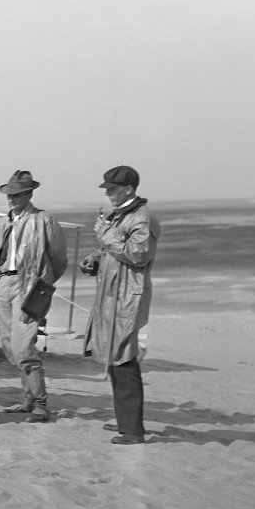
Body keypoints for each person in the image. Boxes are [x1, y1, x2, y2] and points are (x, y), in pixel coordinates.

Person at [80, 165, 160, 445]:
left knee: (125, 361)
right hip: (113, 297)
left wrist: (104, 233)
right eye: (107, 190)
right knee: (115, 360)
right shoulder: (122, 215)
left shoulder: (142, 216)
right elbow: (114, 250)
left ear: (128, 189)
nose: (109, 194)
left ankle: (133, 432)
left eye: (113, 190)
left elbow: (138, 254)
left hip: (127, 299)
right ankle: (125, 421)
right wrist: (95, 259)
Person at [0, 170, 68, 423]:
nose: (11, 199)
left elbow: (58, 259)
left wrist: (42, 284)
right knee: (10, 345)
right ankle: (28, 399)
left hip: (28, 285)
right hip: (4, 285)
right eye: (9, 194)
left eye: (17, 194)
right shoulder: (5, 221)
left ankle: (41, 404)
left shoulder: (44, 220)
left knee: (24, 346)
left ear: (29, 194)